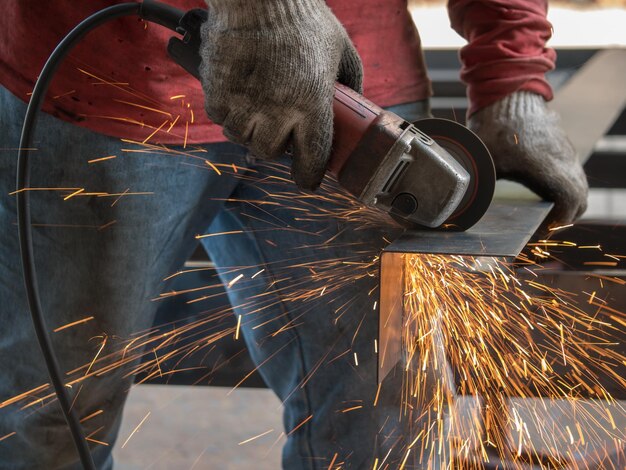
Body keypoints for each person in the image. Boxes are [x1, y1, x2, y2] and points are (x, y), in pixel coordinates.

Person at [0, 0, 587, 469]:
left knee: (387, 421)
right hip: (105, 83)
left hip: (355, 85)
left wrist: (513, 83)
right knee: (48, 415)